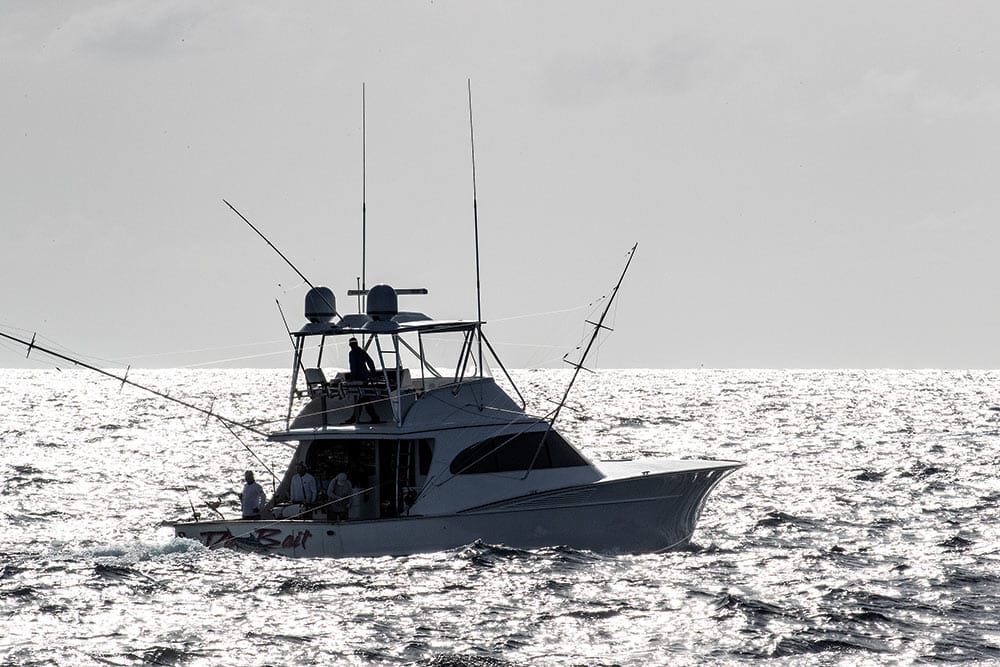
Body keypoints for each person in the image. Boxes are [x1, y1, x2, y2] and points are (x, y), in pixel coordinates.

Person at [344, 336, 382, 424]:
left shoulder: (355, 353)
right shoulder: (359, 352)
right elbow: (370, 362)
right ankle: (372, 417)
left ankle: (356, 417)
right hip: (360, 378)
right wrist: (372, 373)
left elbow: (356, 367)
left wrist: (372, 374)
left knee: (362, 398)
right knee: (363, 399)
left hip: (361, 379)